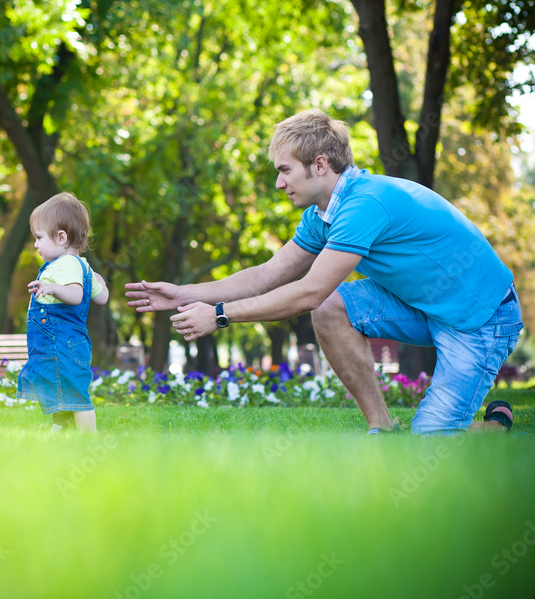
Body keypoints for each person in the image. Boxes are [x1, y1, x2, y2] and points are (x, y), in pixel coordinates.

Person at [126, 109, 523, 436]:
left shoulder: (364, 205)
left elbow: (309, 291)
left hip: (481, 319)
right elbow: (268, 274)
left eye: (285, 170)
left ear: (319, 164)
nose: (279, 183)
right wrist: (184, 294)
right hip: (425, 306)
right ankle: (382, 428)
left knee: (431, 440)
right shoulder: (322, 215)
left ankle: (496, 427)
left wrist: (219, 315)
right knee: (332, 308)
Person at [17, 192, 109, 433]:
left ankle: (88, 438)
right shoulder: (81, 266)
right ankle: (60, 432)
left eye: (39, 238)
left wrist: (53, 288)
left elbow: (76, 295)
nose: (35, 244)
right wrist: (96, 278)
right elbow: (102, 298)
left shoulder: (66, 264)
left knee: (75, 394)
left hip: (62, 344)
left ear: (61, 237)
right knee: (61, 389)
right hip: (66, 344)